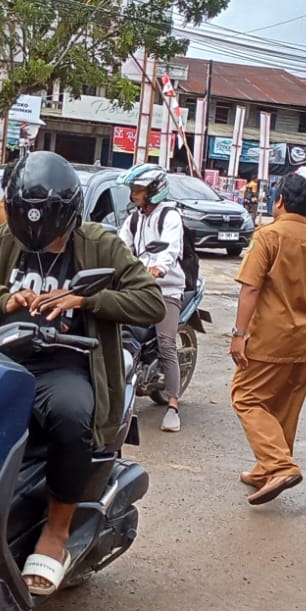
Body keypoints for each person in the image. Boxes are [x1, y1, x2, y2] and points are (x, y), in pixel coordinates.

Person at [0, 152, 164, 594]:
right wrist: (1, 298)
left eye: (52, 237)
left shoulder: (100, 243)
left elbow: (150, 301)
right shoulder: (4, 239)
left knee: (69, 415)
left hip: (66, 362)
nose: (43, 245)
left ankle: (57, 533)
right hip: (2, 359)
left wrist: (84, 301)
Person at [229, 173, 306, 505]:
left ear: (279, 201)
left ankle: (279, 464)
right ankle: (267, 468)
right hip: (304, 341)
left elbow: (250, 287)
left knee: (246, 398)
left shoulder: (268, 236)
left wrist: (239, 334)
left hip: (269, 338)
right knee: (284, 407)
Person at [117, 163, 187, 432]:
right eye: (133, 190)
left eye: (139, 190)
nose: (134, 194)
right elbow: (119, 245)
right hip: (137, 286)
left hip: (165, 289)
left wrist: (157, 268)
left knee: (167, 342)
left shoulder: (170, 217)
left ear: (154, 191)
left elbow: (170, 249)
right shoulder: (134, 218)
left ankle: (172, 405)